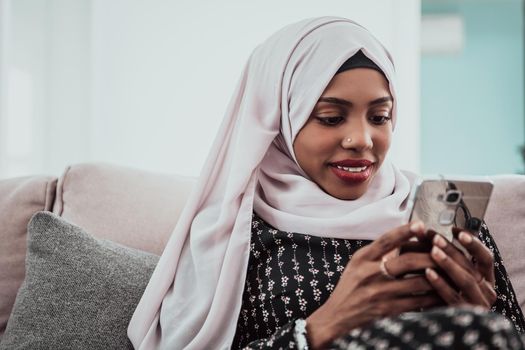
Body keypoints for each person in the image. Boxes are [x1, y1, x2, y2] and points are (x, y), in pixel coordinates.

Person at [128, 17, 525, 349]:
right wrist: (321, 327)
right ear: (279, 121)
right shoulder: (233, 234)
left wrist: (478, 315)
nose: (362, 140)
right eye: (331, 118)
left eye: (380, 117)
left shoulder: (442, 218)